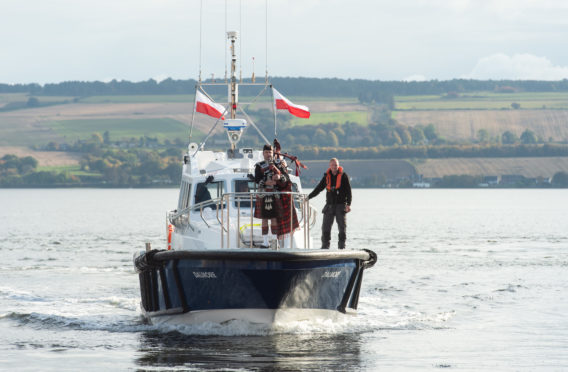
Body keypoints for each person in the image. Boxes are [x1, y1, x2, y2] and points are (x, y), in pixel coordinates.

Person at [308, 158, 352, 249]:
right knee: (325, 228)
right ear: (330, 166)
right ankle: (325, 247)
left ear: (338, 166)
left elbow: (348, 191)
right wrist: (308, 197)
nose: (334, 167)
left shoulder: (343, 176)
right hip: (329, 206)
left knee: (342, 228)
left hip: (341, 205)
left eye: (336, 165)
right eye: (332, 165)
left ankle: (342, 247)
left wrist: (349, 204)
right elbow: (319, 188)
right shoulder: (326, 177)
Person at [254, 144, 283, 247]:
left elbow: (284, 178)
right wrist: (266, 182)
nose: (268, 154)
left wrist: (279, 177)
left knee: (274, 218)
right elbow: (256, 179)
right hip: (263, 194)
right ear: (263, 153)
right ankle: (265, 242)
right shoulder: (259, 165)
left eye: (270, 152)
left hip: (275, 194)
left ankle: (275, 242)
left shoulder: (278, 164)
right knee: (264, 218)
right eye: (266, 152)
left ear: (273, 153)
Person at [273, 150, 299, 246]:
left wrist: (279, 177)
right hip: (276, 202)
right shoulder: (269, 170)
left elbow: (284, 180)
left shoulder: (285, 176)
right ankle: (277, 244)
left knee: (288, 229)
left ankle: (287, 247)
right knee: (277, 224)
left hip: (285, 202)